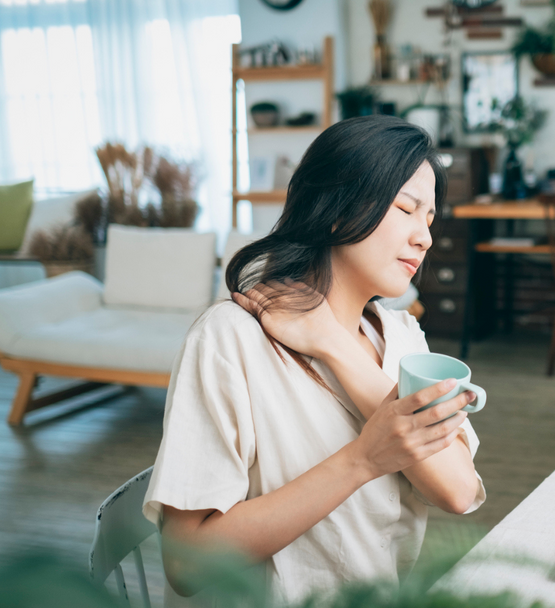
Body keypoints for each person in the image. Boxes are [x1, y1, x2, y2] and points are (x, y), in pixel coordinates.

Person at [142, 116, 485, 604]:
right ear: (337, 209)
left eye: (429, 219)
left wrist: (335, 345)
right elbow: (186, 564)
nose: (424, 238)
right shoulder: (231, 339)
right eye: (406, 209)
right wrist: (363, 461)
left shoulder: (403, 336)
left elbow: (457, 490)